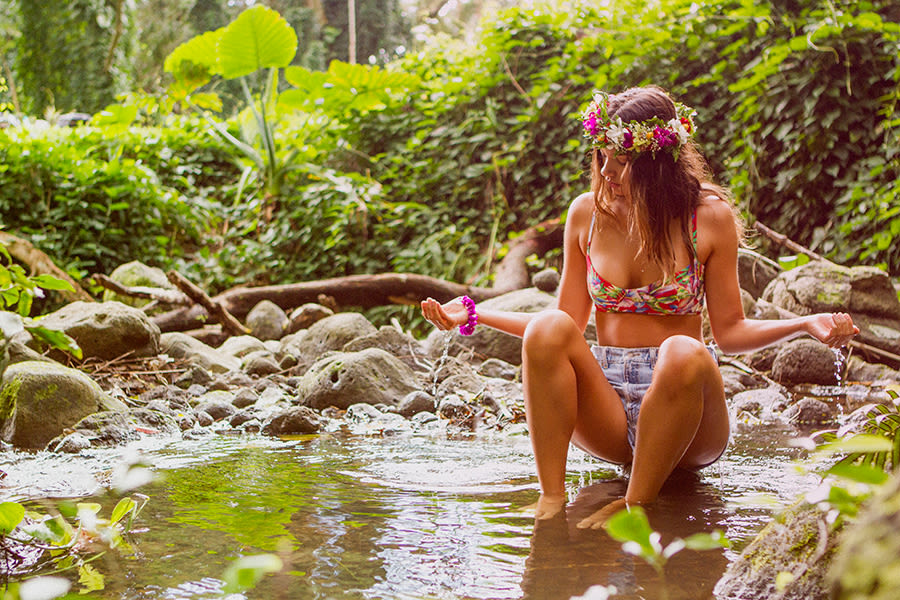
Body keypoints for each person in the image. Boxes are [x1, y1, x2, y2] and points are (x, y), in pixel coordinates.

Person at [421, 85, 859, 527]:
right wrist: (473, 313)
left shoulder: (708, 218)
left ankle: (636, 502)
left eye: (623, 161)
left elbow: (729, 332)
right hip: (607, 409)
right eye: (602, 155)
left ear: (657, 164)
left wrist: (804, 323)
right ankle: (551, 500)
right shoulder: (586, 214)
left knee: (683, 350)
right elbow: (563, 325)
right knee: (546, 327)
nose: (606, 171)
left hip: (689, 418)